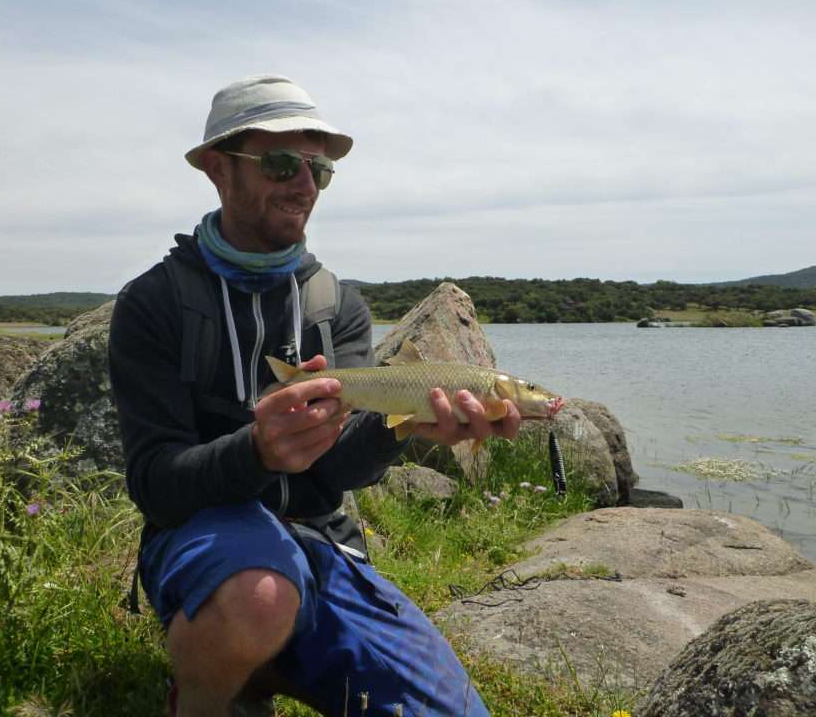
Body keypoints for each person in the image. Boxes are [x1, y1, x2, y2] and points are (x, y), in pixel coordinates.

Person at [108, 74, 522, 717]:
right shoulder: (154, 303)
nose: (303, 184)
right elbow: (155, 484)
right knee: (260, 597)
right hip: (204, 540)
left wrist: (402, 427)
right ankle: (208, 695)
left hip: (321, 543)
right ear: (219, 170)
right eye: (279, 163)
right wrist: (257, 451)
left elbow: (338, 470)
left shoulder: (337, 306)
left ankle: (275, 661)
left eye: (318, 169)